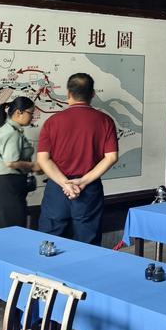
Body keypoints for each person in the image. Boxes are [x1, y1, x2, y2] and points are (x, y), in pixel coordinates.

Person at [36, 73, 118, 245]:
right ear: (93, 94)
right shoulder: (105, 121)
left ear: (68, 94)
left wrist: (65, 184)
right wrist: (82, 181)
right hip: (89, 189)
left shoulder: (52, 122)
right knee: (88, 243)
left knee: (50, 242)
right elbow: (111, 157)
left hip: (57, 189)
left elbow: (43, 159)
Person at [0, 96, 38, 229]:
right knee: (14, 233)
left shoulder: (10, 130)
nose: (32, 117)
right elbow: (11, 162)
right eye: (30, 113)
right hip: (8, 187)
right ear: (18, 112)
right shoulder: (12, 133)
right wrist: (33, 166)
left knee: (12, 231)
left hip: (8, 187)